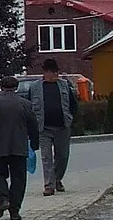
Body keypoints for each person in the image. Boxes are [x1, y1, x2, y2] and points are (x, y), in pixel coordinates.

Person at [0, 75, 35, 220]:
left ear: (1, 87)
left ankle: (4, 198)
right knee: (19, 179)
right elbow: (33, 125)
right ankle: (14, 211)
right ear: (16, 88)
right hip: (19, 147)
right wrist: (35, 143)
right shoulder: (25, 104)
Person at [30, 59, 78, 196]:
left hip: (62, 126)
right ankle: (49, 185)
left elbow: (73, 104)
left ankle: (57, 179)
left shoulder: (64, 85)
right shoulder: (35, 87)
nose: (56, 74)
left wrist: (70, 118)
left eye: (57, 71)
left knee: (62, 156)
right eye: (53, 72)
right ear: (46, 72)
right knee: (46, 157)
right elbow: (29, 106)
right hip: (43, 127)